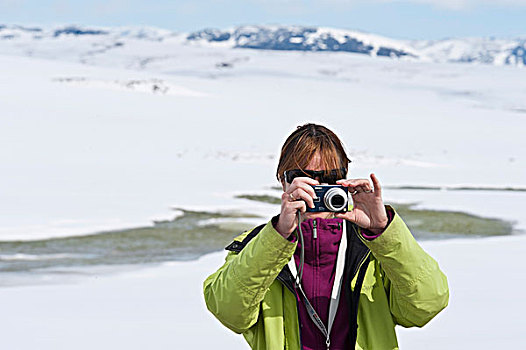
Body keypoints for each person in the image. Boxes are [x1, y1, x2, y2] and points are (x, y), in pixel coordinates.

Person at [203, 123, 449, 349]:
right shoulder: (257, 247)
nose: (317, 189)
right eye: (305, 177)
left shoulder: (373, 247)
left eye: (330, 178)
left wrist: (383, 232)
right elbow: (229, 312)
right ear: (283, 181)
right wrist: (278, 237)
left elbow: (427, 304)